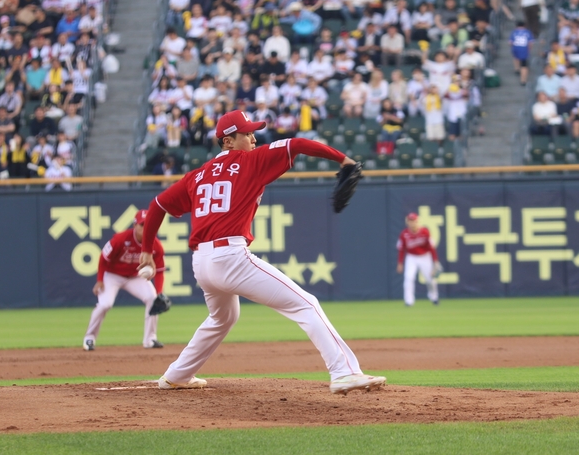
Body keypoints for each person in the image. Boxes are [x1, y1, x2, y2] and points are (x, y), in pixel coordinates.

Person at [137, 110, 387, 394]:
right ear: (228, 141)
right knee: (306, 304)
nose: (254, 139)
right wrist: (343, 160)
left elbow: (157, 205)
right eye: (247, 134)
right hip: (230, 257)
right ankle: (345, 372)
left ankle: (177, 375)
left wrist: (146, 250)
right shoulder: (250, 161)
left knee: (222, 318)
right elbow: (298, 144)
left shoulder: (197, 175)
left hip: (202, 263)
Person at [83, 209, 166, 351]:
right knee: (105, 304)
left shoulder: (156, 245)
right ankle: (89, 338)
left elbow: (159, 271)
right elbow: (103, 258)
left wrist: (159, 293)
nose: (145, 228)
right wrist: (100, 280)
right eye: (142, 225)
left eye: (149, 224)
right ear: (134, 225)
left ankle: (150, 339)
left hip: (135, 277)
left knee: (153, 299)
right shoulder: (120, 239)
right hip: (113, 275)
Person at [396, 212, 440, 307]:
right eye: (410, 221)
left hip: (425, 256)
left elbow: (432, 247)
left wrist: (435, 261)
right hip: (411, 257)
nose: (412, 223)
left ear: (417, 221)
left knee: (430, 279)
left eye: (414, 221)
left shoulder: (425, 231)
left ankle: (434, 297)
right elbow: (401, 249)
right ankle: (409, 301)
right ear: (407, 222)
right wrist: (400, 263)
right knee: (408, 278)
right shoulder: (404, 234)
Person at [510, 21, 533, 86]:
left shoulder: (514, 32)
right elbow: (530, 43)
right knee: (524, 65)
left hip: (516, 48)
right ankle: (523, 80)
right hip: (524, 49)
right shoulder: (527, 32)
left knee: (516, 58)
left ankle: (517, 69)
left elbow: (510, 42)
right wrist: (529, 50)